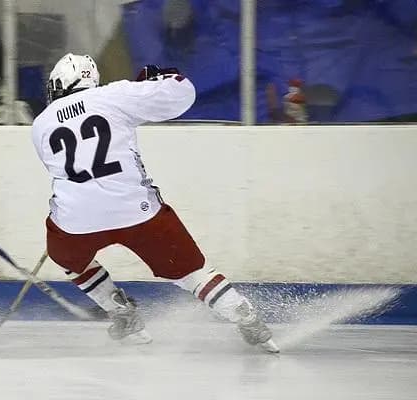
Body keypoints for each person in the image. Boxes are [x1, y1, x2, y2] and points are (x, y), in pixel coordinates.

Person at [31, 54, 278, 353]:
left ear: (59, 85)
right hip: (137, 211)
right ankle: (242, 313)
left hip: (77, 219)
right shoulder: (115, 95)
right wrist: (158, 80)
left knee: (67, 256)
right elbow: (182, 93)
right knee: (191, 272)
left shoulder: (40, 124)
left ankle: (120, 310)